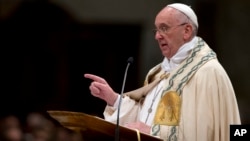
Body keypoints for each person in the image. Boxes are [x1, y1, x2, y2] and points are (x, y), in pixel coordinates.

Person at [84, 3, 241, 141]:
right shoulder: (158, 73)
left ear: (186, 31)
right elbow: (145, 115)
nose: (158, 36)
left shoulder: (207, 72)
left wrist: (153, 132)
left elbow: (204, 131)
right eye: (156, 30)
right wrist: (113, 98)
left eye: (164, 28)